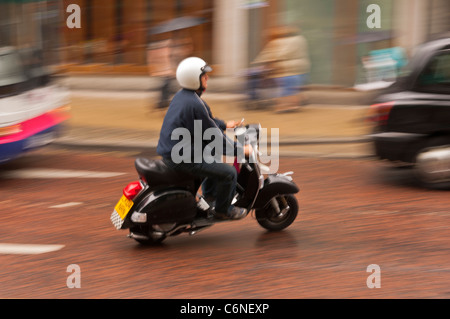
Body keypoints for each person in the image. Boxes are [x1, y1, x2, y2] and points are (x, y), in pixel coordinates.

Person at [157, 57, 252, 220]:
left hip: (175, 151)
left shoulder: (183, 96)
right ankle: (223, 210)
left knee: (212, 154)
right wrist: (239, 150)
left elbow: (207, 121)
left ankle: (210, 196)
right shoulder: (194, 103)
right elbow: (214, 136)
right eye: (204, 75)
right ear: (194, 79)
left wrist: (225, 124)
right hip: (182, 158)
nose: (207, 78)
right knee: (229, 173)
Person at [252, 25, 310, 113]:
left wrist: (270, 60)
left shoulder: (292, 40)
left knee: (287, 84)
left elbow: (284, 53)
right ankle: (293, 102)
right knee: (289, 85)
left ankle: (287, 104)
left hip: (291, 69)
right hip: (293, 69)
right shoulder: (297, 39)